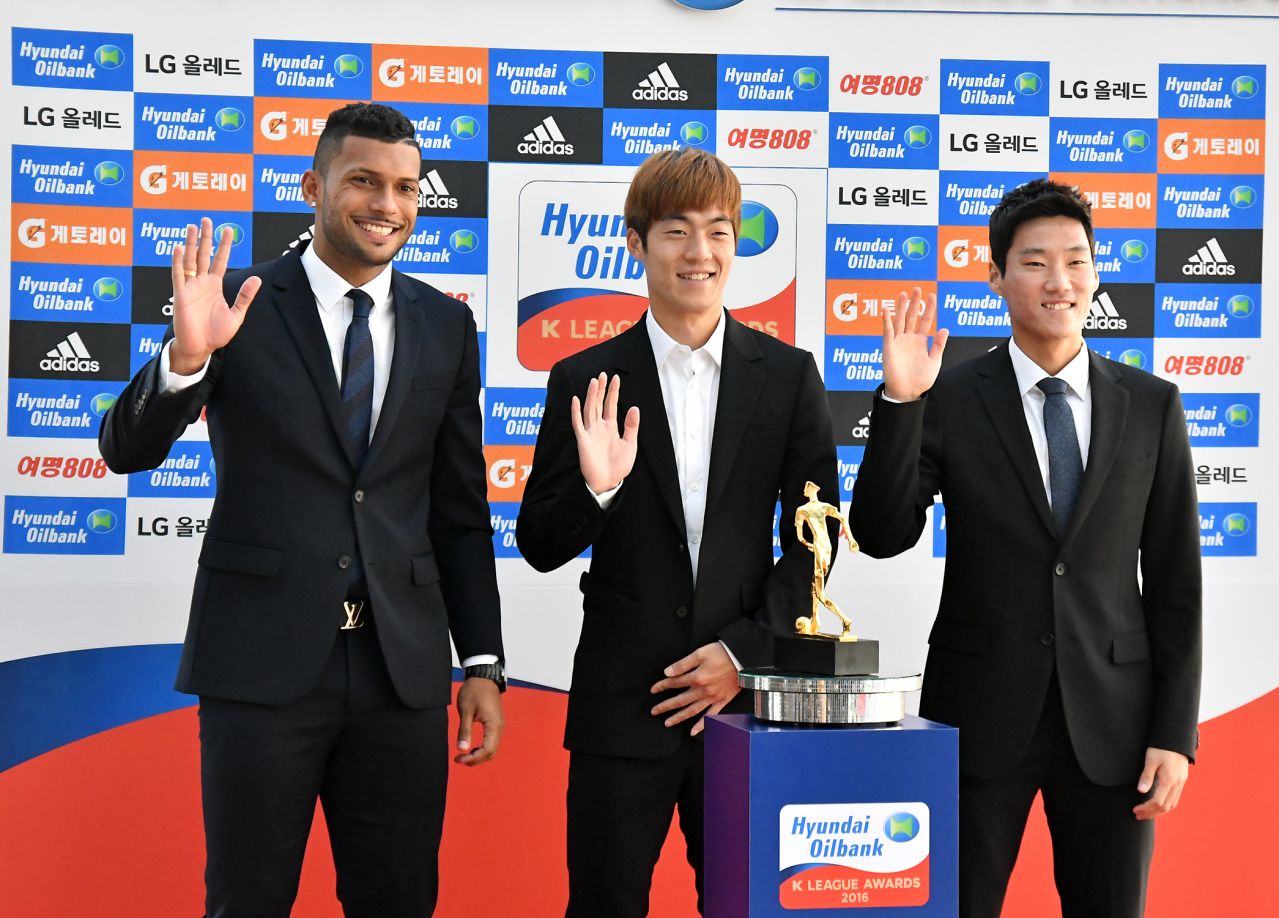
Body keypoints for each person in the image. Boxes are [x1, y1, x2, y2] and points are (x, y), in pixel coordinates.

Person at [99, 102, 505, 918]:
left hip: (399, 670)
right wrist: (186, 358)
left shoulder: (446, 324)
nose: (386, 204)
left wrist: (484, 662)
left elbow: (458, 511)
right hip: (260, 662)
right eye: (363, 181)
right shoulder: (237, 300)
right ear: (313, 187)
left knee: (398, 901)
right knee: (247, 901)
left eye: (404, 187)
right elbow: (126, 450)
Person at [849, 178, 1201, 918]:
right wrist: (901, 404)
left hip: (1114, 723)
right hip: (979, 713)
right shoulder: (949, 396)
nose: (1058, 281)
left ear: (1096, 273)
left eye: (1075, 261)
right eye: (1035, 263)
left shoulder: (1151, 404)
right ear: (996, 277)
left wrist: (1175, 734)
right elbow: (882, 535)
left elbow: (1176, 583)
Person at [517, 147, 840, 917]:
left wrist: (742, 652)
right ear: (637, 243)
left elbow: (815, 542)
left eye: (718, 231)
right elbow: (539, 542)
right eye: (676, 231)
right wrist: (597, 491)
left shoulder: (787, 376)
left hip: (745, 702)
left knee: (746, 904)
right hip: (620, 703)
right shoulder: (586, 378)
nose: (699, 252)